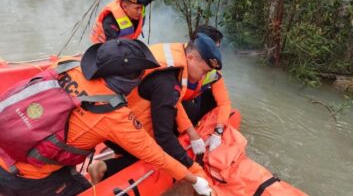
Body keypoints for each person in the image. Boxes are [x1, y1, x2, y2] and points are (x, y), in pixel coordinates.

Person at [0, 39, 212, 196]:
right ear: (130, 82)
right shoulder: (113, 115)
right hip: (25, 177)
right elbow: (157, 155)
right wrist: (195, 179)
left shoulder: (68, 65)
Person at [88, 34, 221, 185]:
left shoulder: (172, 57)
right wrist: (193, 169)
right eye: (204, 71)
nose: (203, 77)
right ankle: (103, 167)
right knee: (154, 153)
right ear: (190, 57)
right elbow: (164, 137)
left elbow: (174, 103)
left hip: (110, 113)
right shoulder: (167, 83)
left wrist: (192, 133)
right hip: (116, 127)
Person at [183, 25, 232, 153]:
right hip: (169, 105)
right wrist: (191, 133)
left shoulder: (212, 71)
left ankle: (197, 127)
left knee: (211, 98)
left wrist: (218, 131)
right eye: (214, 47)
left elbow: (224, 102)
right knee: (190, 108)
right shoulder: (181, 60)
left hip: (186, 102)